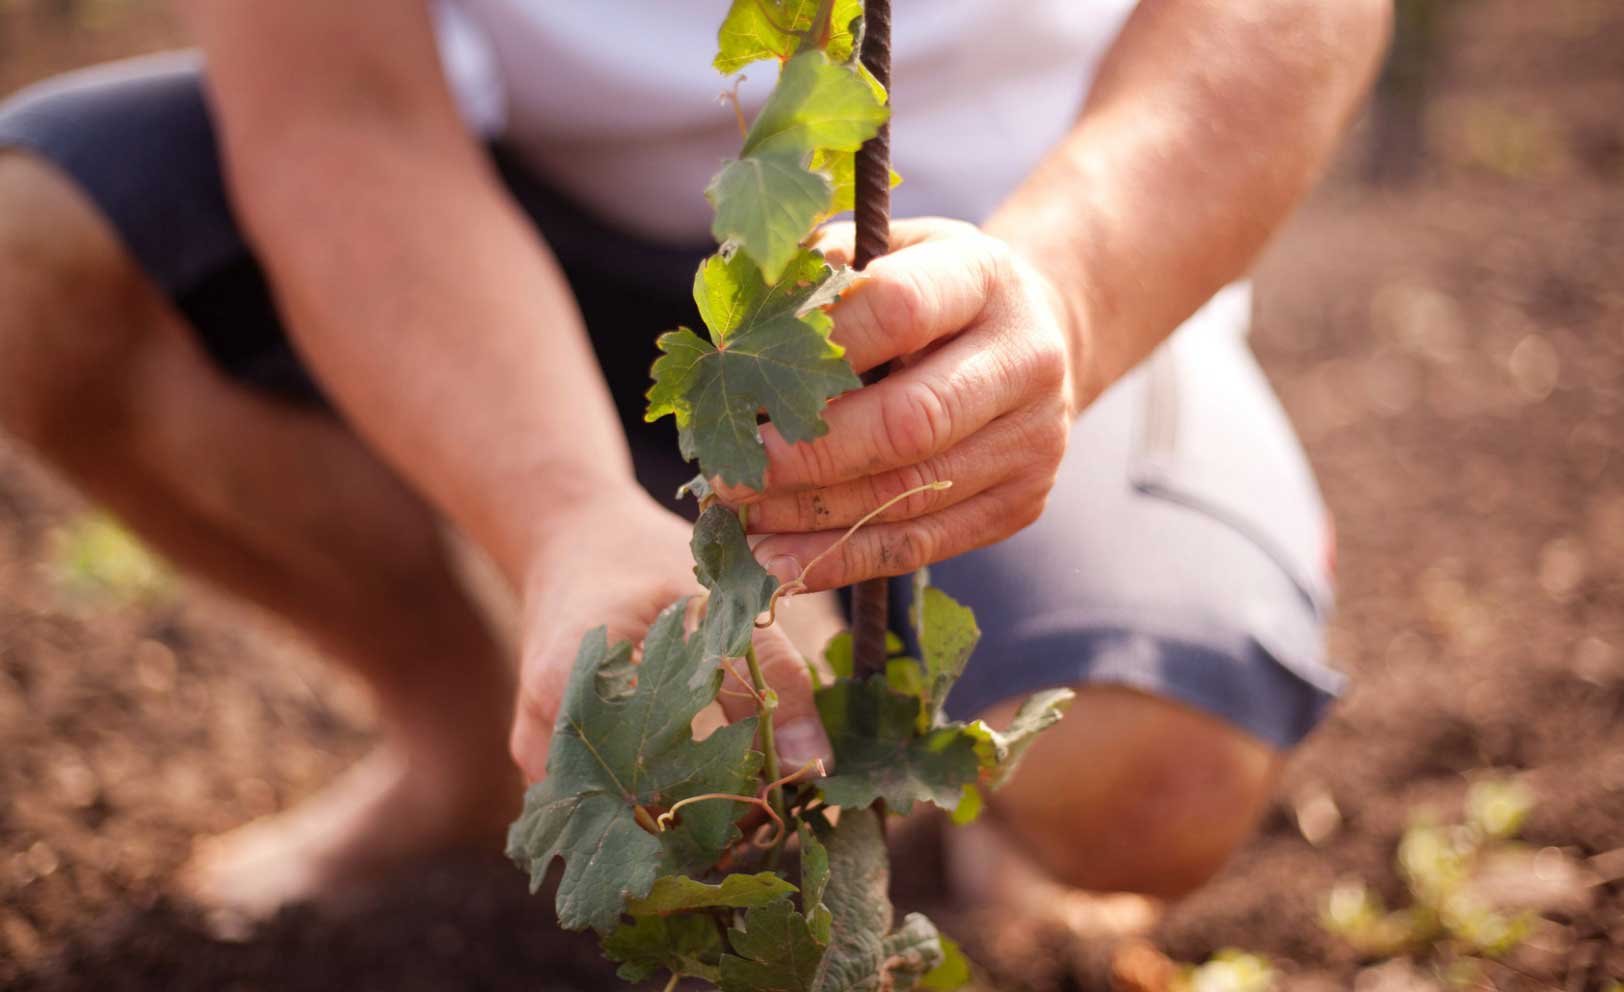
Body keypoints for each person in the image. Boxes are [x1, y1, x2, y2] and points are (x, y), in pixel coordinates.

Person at [0, 0, 1389, 918]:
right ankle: (455, 732)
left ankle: (967, 795)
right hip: (509, 209)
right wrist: (552, 511)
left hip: (1030, 240)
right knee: (25, 254)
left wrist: (1076, 293)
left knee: (1147, 782)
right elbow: (334, 105)